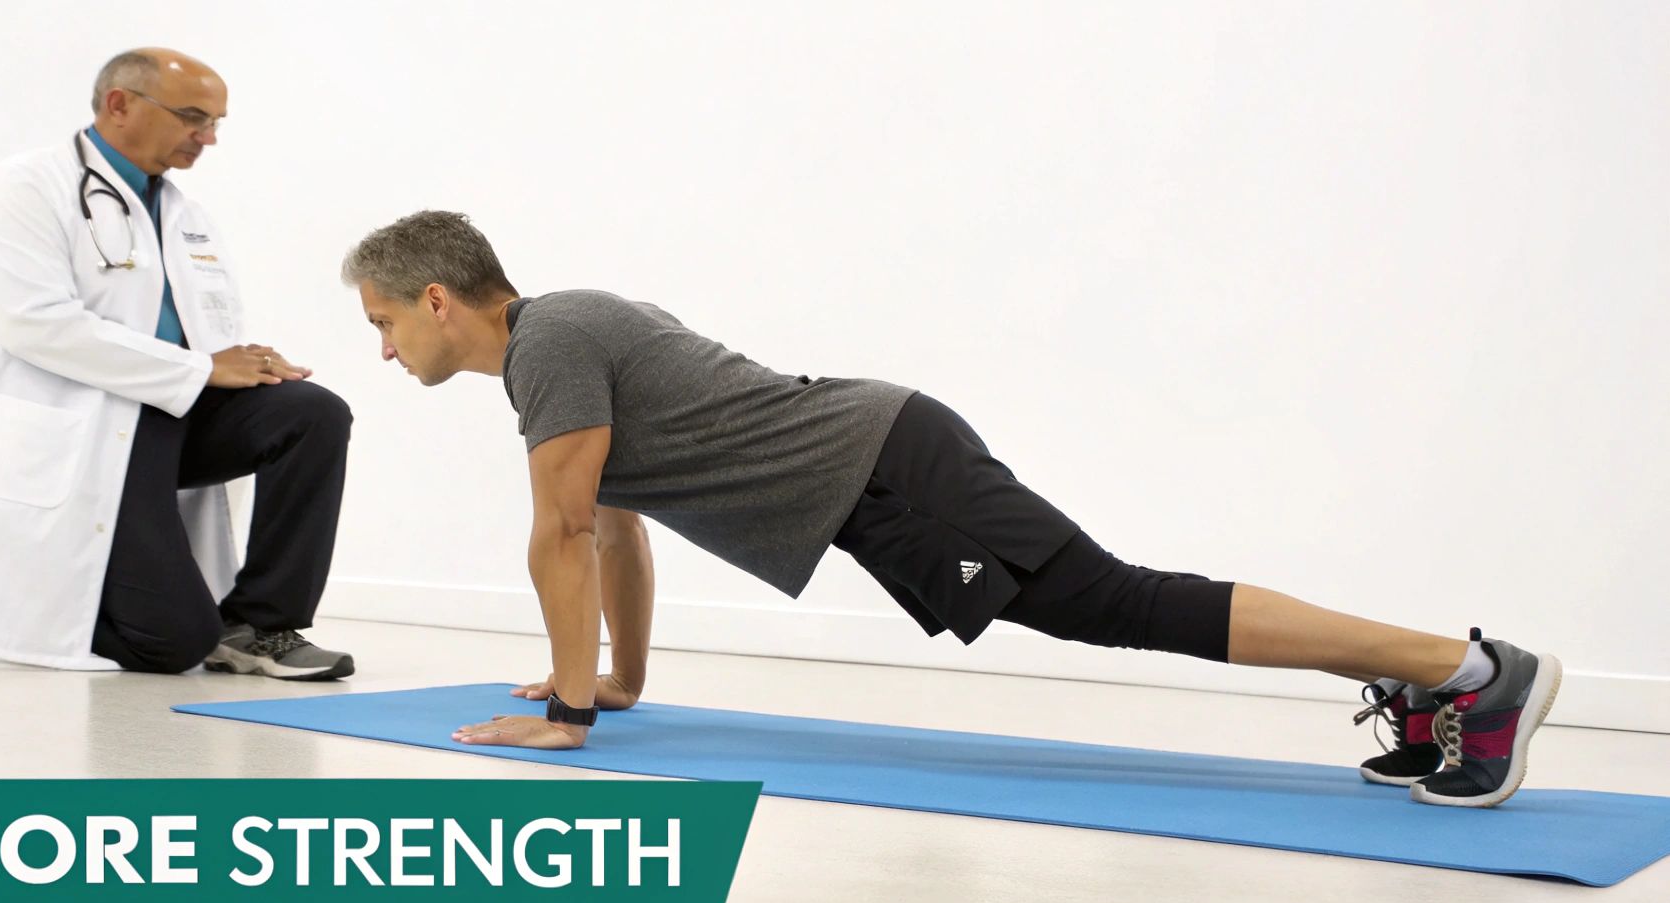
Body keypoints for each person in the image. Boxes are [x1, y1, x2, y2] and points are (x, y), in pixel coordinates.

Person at [339, 210, 1560, 808]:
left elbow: (561, 529)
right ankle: (1441, 677)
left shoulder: (550, 348)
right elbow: (612, 524)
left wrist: (564, 714)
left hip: (882, 467)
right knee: (1109, 602)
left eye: (384, 324)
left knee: (1112, 603)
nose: (385, 353)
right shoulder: (562, 336)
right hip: (878, 465)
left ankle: (1466, 667)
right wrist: (617, 682)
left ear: (439, 298)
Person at [0, 48, 355, 681]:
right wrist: (200, 369)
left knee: (312, 414)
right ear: (119, 104)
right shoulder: (26, 186)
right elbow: (34, 323)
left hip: (169, 415)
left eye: (218, 123)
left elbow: (206, 331)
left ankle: (261, 624)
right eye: (194, 117)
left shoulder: (186, 216)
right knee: (174, 646)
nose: (209, 138)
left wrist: (247, 365)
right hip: (81, 427)